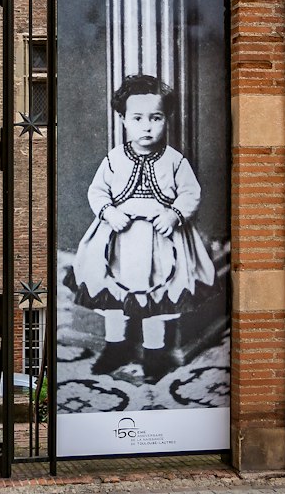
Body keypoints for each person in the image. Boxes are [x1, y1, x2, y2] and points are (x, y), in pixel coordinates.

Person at [69, 74, 216, 383]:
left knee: (158, 296)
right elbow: (97, 192)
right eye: (137, 118)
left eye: (156, 118)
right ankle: (115, 347)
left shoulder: (175, 161)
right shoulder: (114, 159)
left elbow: (191, 192)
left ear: (166, 119)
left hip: (161, 242)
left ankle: (155, 354)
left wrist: (174, 214)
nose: (147, 126)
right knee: (112, 294)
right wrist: (108, 212)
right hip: (118, 241)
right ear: (123, 120)